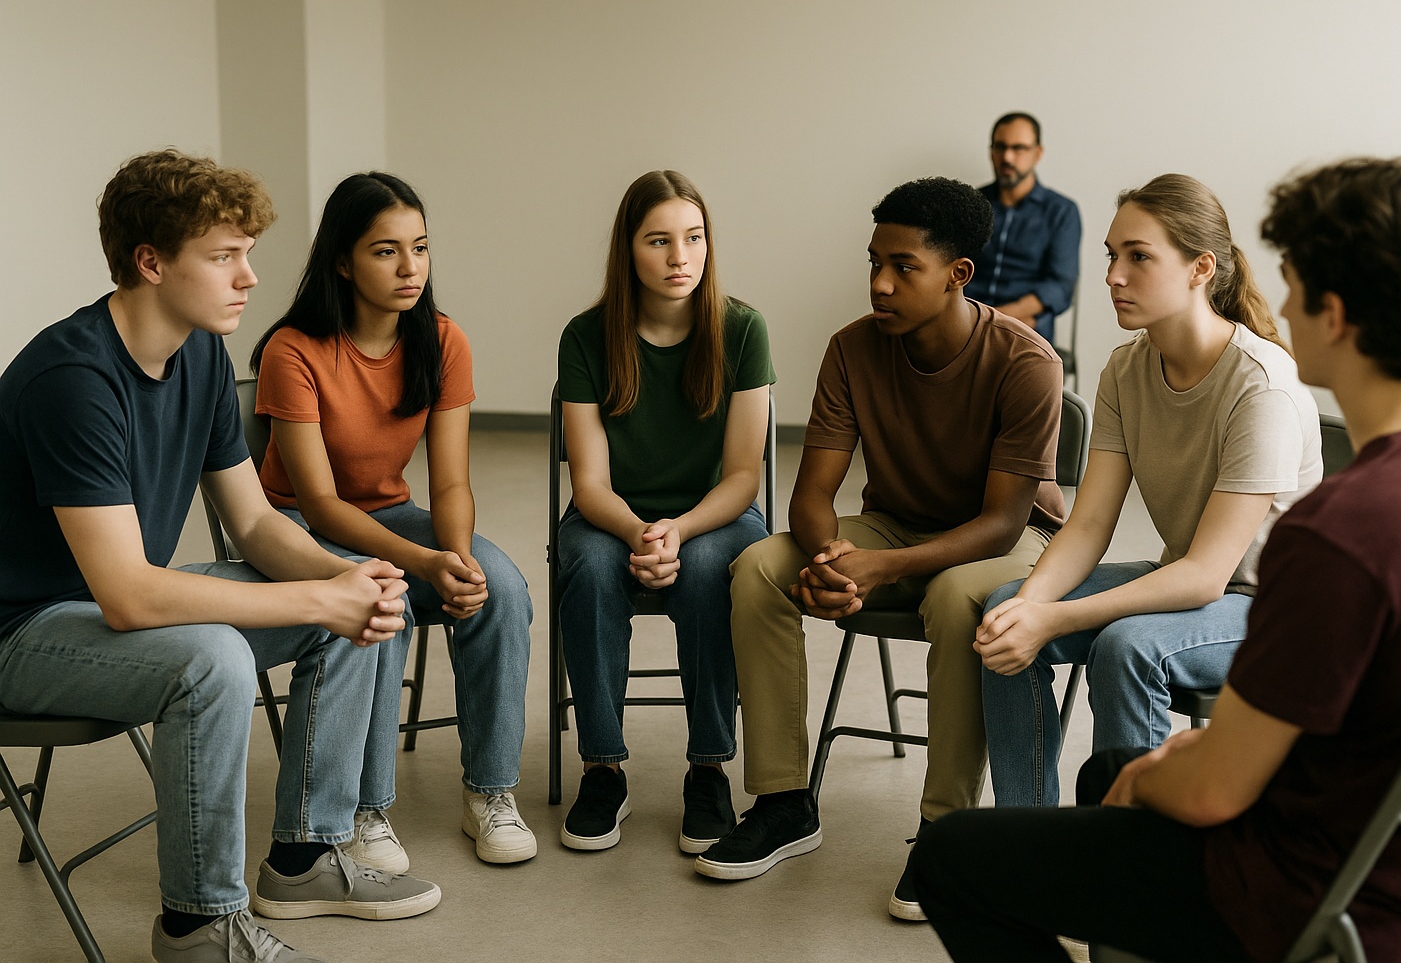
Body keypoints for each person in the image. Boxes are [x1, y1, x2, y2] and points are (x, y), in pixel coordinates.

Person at [913, 157, 1401, 963]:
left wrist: (1163, 773)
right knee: (1108, 772)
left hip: (1306, 900)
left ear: (1334, 314)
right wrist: (1163, 761)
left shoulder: (1340, 530)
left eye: (1297, 281)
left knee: (953, 859)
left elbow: (1213, 792)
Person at [0, 150, 441, 963]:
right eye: (224, 256)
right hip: (24, 632)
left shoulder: (200, 350)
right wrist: (317, 600)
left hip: (115, 602)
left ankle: (305, 857)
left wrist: (344, 580)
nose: (249, 278)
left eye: (248, 254)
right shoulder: (74, 379)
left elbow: (257, 524)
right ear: (151, 263)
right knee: (213, 661)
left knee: (361, 593)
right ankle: (199, 928)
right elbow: (130, 598)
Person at [697, 177, 1065, 923]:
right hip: (895, 527)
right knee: (761, 567)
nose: (880, 283)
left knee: (958, 595)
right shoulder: (852, 349)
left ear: (958, 274)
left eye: (902, 267)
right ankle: (783, 800)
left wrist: (879, 569)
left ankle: (945, 829)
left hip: (1006, 544)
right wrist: (832, 559)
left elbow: (1001, 523)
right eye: (873, 263)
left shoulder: (1026, 362)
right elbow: (812, 495)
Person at [976, 174, 1321, 808]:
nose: (1112, 274)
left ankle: (1127, 858)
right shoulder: (1125, 368)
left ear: (1201, 269)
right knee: (1002, 612)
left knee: (1128, 645)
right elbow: (1085, 527)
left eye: (1139, 256)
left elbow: (1205, 578)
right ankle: (1030, 831)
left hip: (1271, 609)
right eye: (1112, 254)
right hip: (1189, 581)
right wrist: (1030, 609)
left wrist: (1053, 616)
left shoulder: (1261, 386)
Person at [251, 172, 536, 868]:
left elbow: (453, 480)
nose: (411, 268)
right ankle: (367, 809)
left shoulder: (441, 340)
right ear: (343, 261)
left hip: (390, 514)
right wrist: (421, 563)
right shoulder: (294, 350)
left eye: (421, 247)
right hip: (297, 528)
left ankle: (491, 793)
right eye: (386, 251)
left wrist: (457, 558)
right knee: (384, 598)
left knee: (501, 586)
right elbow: (318, 503)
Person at [556, 169, 774, 854]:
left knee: (713, 569)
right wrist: (636, 531)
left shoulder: (742, 329)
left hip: (714, 516)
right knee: (587, 566)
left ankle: (708, 768)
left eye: (694, 238)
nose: (680, 257)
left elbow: (743, 476)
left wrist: (677, 530)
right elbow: (588, 482)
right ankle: (602, 766)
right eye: (659, 241)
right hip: (611, 516)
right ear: (628, 251)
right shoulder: (586, 336)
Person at [971, 112, 1082, 346]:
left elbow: (1060, 286)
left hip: (1024, 327)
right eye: (1000, 147)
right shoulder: (972, 202)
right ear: (991, 151)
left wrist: (1000, 317)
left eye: (1018, 148)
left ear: (1037, 153)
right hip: (967, 319)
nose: (1007, 157)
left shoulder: (1061, 211)